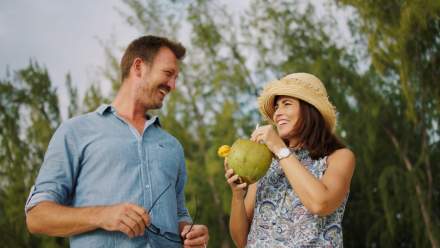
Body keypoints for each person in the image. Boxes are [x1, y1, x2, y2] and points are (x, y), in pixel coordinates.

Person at [25, 35, 209, 248]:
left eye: (176, 78)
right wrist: (103, 215)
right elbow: (37, 217)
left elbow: (179, 214)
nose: (173, 85)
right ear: (138, 67)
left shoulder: (172, 146)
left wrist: (191, 232)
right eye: (168, 74)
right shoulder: (76, 132)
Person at [225, 73, 355, 247]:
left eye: (287, 104)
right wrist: (238, 196)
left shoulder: (339, 156)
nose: (277, 113)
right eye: (277, 107)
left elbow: (320, 204)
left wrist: (280, 149)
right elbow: (242, 241)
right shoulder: (266, 162)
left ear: (310, 110)